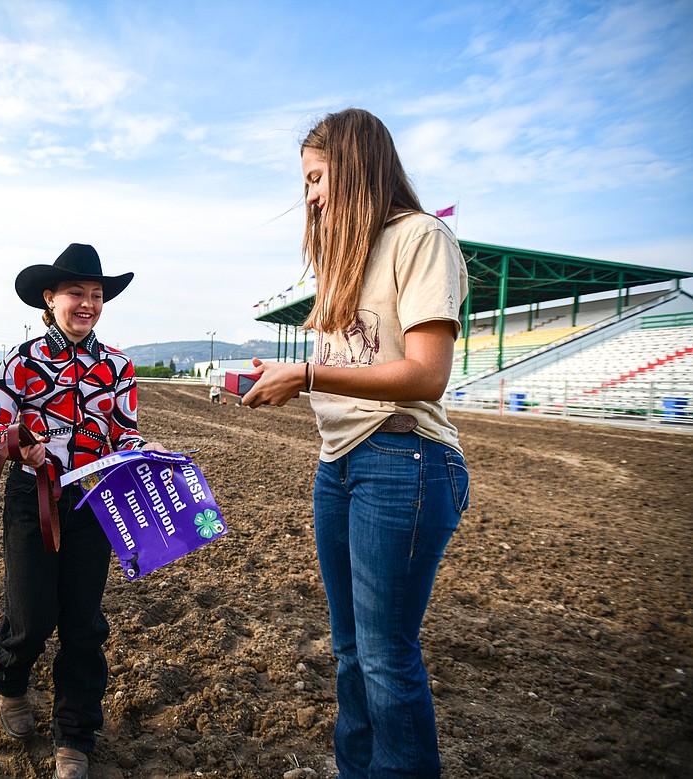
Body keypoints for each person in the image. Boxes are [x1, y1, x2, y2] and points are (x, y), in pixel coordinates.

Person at [244, 108, 470, 778]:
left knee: (384, 654)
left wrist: (307, 373)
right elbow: (351, 371)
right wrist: (284, 376)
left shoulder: (420, 237)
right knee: (350, 652)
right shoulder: (344, 263)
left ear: (358, 163)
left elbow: (426, 374)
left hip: (405, 461)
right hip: (338, 467)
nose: (309, 194)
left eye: (316, 177)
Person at [0, 243, 167, 779]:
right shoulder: (22, 361)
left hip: (92, 501)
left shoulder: (118, 366)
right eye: (76, 293)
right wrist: (19, 445)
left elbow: (125, 431)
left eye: (96, 295)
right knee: (31, 617)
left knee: (83, 625)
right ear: (50, 298)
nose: (88, 303)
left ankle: (74, 736)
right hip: (31, 498)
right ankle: (11, 683)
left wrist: (137, 451)